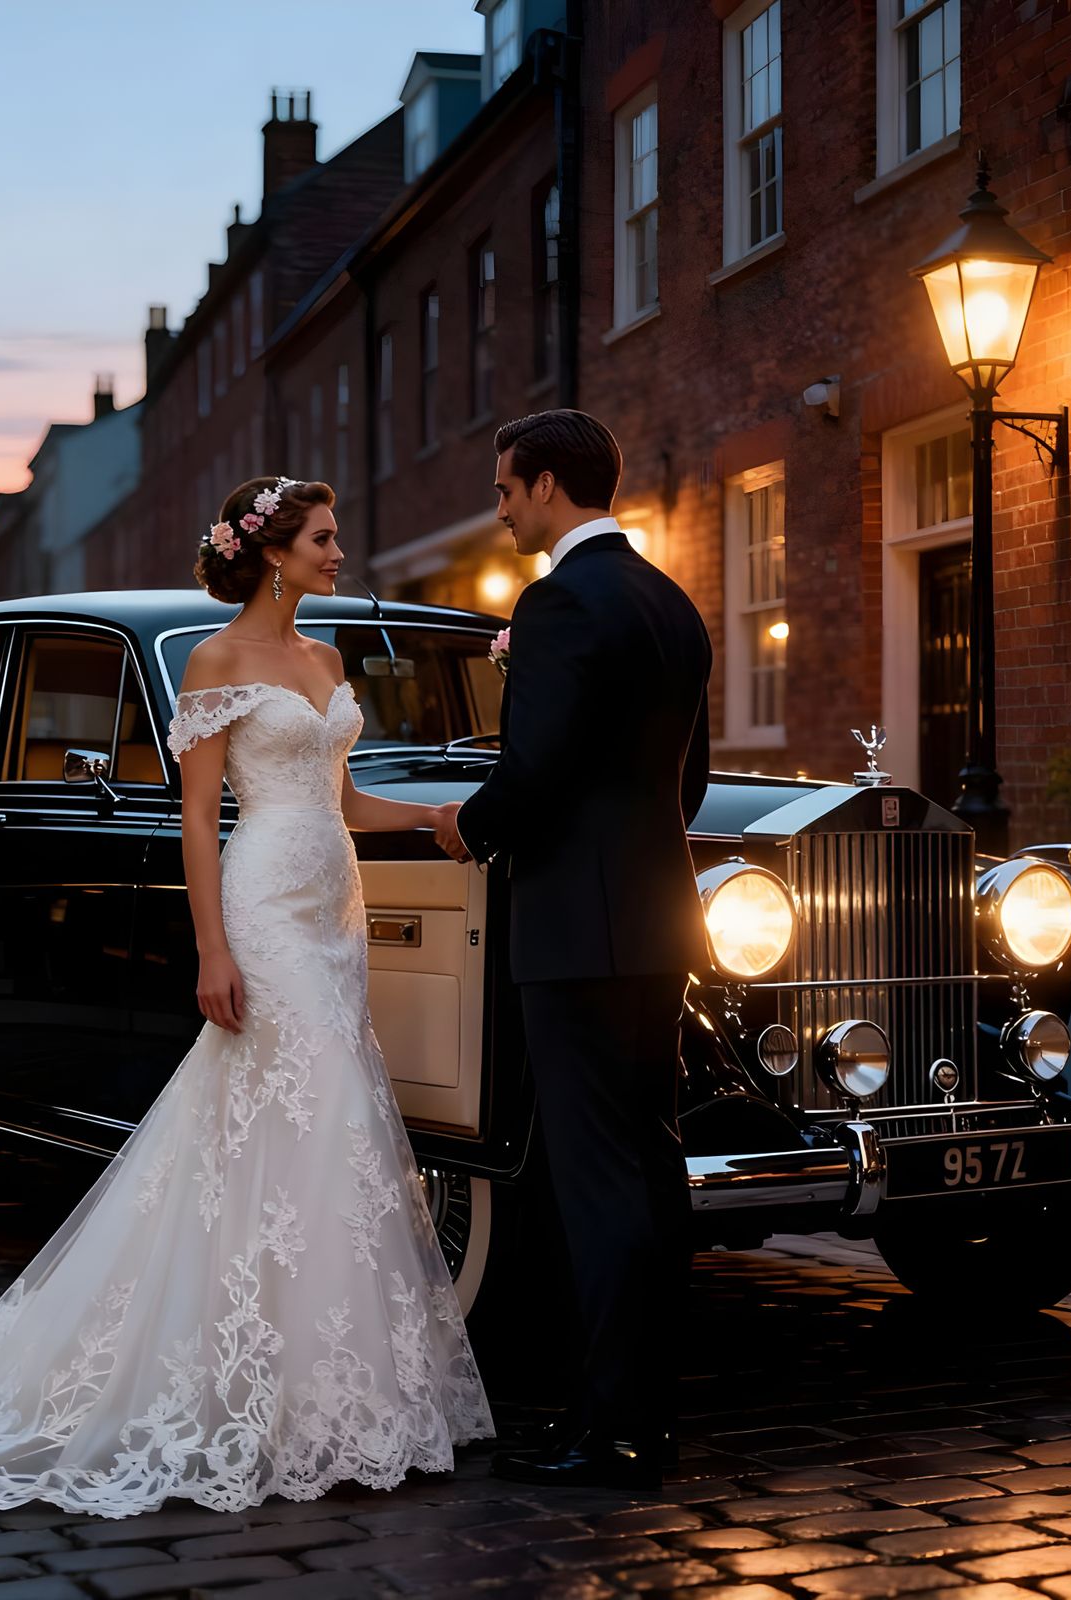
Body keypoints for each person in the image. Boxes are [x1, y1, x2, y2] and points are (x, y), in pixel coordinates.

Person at [0, 474, 492, 1518]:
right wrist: (212, 948)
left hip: (331, 908)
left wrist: (442, 818)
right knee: (286, 1110)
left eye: (336, 537)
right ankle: (241, 1382)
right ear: (271, 551)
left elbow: (342, 798)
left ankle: (323, 1382)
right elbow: (201, 815)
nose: (340, 552)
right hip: (258, 903)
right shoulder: (214, 661)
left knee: (334, 1124)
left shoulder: (326, 658)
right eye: (324, 538)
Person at [435, 410, 711, 1491]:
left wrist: (474, 823)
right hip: (655, 920)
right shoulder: (669, 601)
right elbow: (682, 785)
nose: (500, 507)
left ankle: (606, 1431)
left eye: (505, 489)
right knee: (650, 1171)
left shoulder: (556, 601)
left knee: (592, 1182)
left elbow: (535, 767)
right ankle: (650, 1412)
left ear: (546, 486)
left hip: (572, 935)